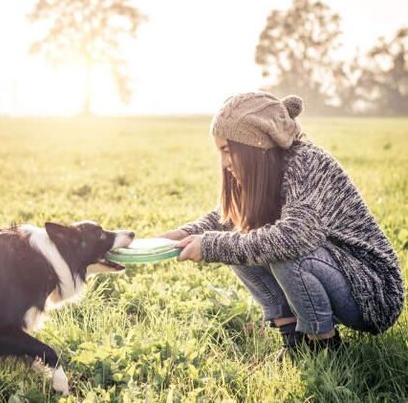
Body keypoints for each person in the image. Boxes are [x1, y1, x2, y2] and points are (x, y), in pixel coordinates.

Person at [160, 91, 404, 360]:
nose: (225, 163)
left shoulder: (308, 162)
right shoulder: (266, 167)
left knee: (285, 255)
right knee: (234, 242)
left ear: (254, 146)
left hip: (371, 290)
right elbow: (230, 220)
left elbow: (294, 237)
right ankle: (295, 342)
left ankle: (325, 347)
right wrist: (187, 233)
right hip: (334, 271)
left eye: (227, 151)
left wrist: (210, 245)